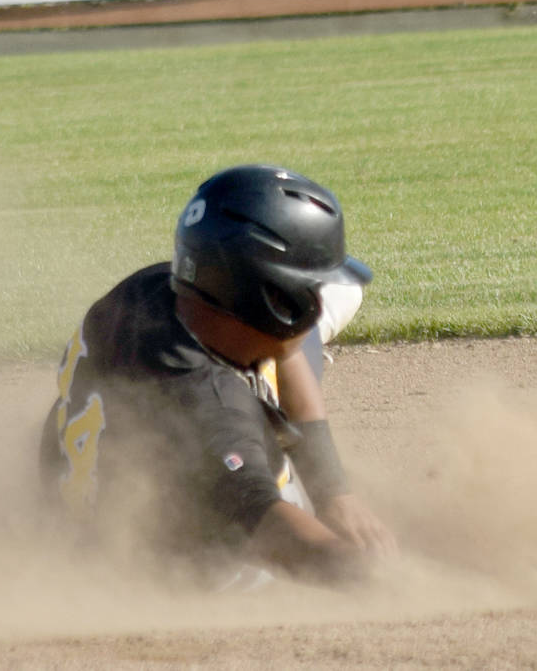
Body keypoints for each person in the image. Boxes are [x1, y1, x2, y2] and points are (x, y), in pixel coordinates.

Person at [39, 164, 392, 588]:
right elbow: (268, 522)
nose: (317, 298)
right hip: (158, 569)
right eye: (307, 294)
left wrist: (334, 491)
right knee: (264, 562)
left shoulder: (159, 289)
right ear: (276, 302)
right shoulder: (212, 411)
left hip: (67, 472)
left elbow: (287, 347)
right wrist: (374, 575)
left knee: (339, 295)